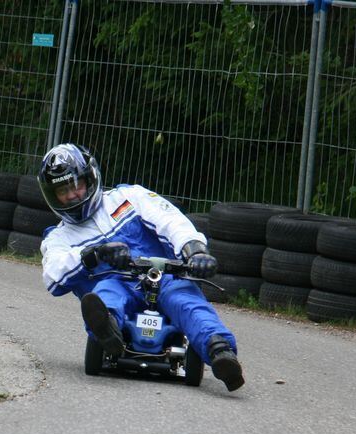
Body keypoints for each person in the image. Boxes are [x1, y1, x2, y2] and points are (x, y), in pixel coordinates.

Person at [37, 143, 244, 391]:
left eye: (76, 185)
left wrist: (194, 249)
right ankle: (108, 329)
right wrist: (94, 254)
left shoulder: (129, 197)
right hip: (117, 281)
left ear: (90, 179)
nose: (72, 195)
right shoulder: (58, 238)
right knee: (105, 292)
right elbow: (53, 275)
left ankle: (219, 349)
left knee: (186, 302)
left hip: (165, 276)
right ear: (52, 195)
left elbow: (170, 220)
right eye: (63, 190)